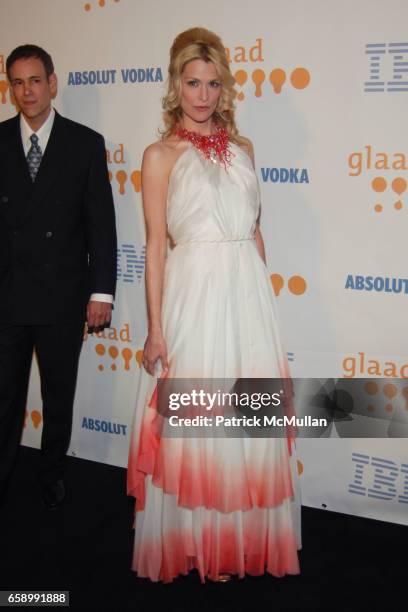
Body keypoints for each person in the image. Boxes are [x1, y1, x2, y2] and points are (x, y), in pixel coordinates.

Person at [127, 27, 301, 582]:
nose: (203, 94)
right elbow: (156, 248)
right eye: (193, 82)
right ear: (176, 87)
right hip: (194, 296)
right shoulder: (159, 156)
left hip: (245, 296)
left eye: (213, 83)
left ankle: (239, 541)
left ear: (224, 89)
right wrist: (155, 329)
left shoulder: (245, 151)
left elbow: (255, 233)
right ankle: (198, 545)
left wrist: (264, 306)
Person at [0, 45, 117, 509]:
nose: (27, 91)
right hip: (7, 294)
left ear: (53, 81)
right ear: (11, 88)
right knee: (4, 400)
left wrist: (101, 292)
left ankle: (51, 472)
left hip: (63, 294)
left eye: (35, 80)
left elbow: (100, 226)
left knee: (58, 397)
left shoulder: (84, 143)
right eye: (17, 82)